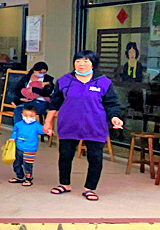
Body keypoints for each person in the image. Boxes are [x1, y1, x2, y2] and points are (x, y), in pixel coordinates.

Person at [44, 50, 123, 201]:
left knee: (95, 158)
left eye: (86, 61)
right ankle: (64, 184)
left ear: (93, 63)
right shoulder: (64, 81)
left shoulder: (104, 82)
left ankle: (90, 188)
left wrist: (115, 118)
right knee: (65, 155)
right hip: (69, 125)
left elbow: (112, 104)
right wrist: (48, 122)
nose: (81, 64)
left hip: (95, 126)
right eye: (78, 60)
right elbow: (55, 103)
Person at [9, 105, 45, 186]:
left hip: (30, 149)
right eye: (25, 115)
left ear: (36, 116)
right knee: (16, 163)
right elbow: (14, 132)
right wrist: (13, 138)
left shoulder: (37, 125)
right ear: (22, 114)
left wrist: (48, 130)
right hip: (19, 147)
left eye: (31, 116)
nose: (28, 118)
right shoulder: (18, 124)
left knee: (27, 164)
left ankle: (28, 179)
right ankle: (20, 177)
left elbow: (43, 130)